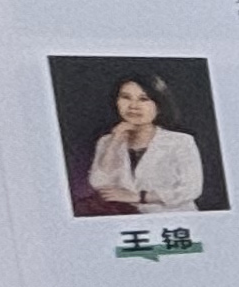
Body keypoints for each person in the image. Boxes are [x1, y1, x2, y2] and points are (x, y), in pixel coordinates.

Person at [84, 71, 204, 212]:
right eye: (126, 97)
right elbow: (99, 183)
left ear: (159, 105)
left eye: (144, 99)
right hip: (126, 218)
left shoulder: (180, 141)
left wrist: (141, 197)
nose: (133, 106)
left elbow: (191, 189)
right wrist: (115, 141)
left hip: (174, 217)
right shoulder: (106, 141)